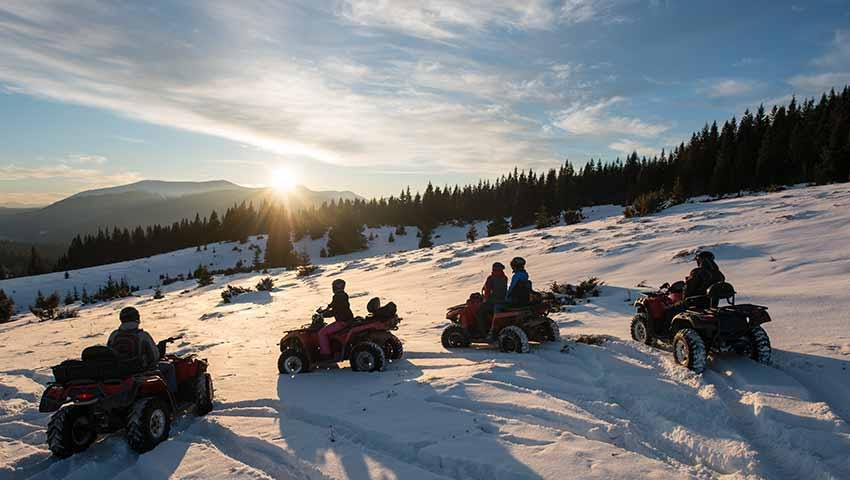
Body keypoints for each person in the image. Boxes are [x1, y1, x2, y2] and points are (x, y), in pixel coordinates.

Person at [108, 307, 177, 393]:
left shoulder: (114, 335)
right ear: (137, 318)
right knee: (169, 367)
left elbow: (109, 352)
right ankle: (173, 395)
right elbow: (155, 357)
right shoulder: (142, 335)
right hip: (140, 370)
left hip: (119, 371)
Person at [665, 251, 726, 321]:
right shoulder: (719, 274)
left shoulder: (697, 272)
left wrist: (684, 297)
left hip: (695, 302)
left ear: (701, 260)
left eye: (698, 260)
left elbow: (688, 289)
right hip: (711, 303)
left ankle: (668, 331)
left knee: (669, 310)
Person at [489, 257, 532, 339]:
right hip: (522, 300)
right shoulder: (525, 275)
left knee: (497, 306)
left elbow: (512, 289)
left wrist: (506, 298)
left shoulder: (516, 276)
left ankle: (493, 329)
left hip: (514, 301)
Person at [318, 279, 354, 360]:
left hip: (342, 322)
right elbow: (334, 305)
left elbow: (335, 310)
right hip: (348, 320)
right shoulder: (342, 295)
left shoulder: (338, 296)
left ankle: (326, 354)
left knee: (322, 333)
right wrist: (326, 308)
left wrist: (323, 315)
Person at [475, 262, 507, 335]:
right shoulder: (504, 278)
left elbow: (487, 291)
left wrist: (485, 300)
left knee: (479, 312)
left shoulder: (491, 278)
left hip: (493, 302)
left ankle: (483, 332)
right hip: (503, 301)